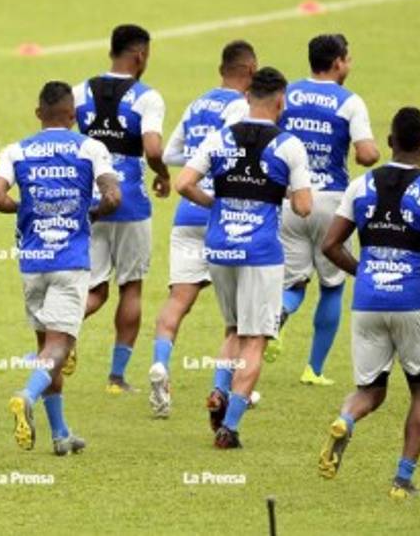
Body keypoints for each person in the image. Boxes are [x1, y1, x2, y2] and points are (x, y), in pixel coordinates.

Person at [317, 107, 420, 499]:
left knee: (370, 391)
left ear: (390, 142)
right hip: (412, 301)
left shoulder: (361, 186)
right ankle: (402, 479)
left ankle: (346, 418)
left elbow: (330, 245)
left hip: (367, 301)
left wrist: (363, 270)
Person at [176, 67, 312, 449]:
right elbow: (304, 207)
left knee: (234, 329)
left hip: (220, 246)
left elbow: (183, 182)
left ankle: (219, 389)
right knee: (255, 339)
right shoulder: (289, 145)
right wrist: (277, 191)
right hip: (260, 253)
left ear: (247, 98)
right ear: (281, 101)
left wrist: (215, 202)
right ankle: (230, 427)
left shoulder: (220, 137)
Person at [0, 81, 120, 455]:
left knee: (47, 348)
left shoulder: (17, 150)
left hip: (32, 261)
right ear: (73, 115)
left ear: (38, 113)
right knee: (60, 346)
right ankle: (25, 395)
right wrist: (90, 211)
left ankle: (61, 434)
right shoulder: (90, 147)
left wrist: (24, 209)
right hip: (70, 260)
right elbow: (113, 195)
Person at [147, 41, 256, 418]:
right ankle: (225, 387)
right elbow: (235, 153)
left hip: (186, 213)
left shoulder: (197, 104)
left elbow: (170, 154)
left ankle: (160, 363)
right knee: (239, 318)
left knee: (178, 301)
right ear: (251, 72)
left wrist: (196, 164)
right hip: (223, 217)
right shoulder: (242, 107)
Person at [276, 33, 379, 384]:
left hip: (290, 199)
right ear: (337, 62)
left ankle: (279, 313)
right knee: (332, 285)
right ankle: (313, 370)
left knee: (293, 281)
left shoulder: (287, 94)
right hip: (331, 202)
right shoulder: (349, 102)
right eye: (348, 59)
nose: (349, 65)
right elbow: (366, 155)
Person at [74, 24, 171, 393]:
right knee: (131, 286)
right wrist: (162, 175)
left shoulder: (79, 91)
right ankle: (116, 377)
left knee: (94, 288)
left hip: (92, 200)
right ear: (140, 55)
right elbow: (153, 148)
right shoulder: (147, 97)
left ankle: (59, 338)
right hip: (130, 203)